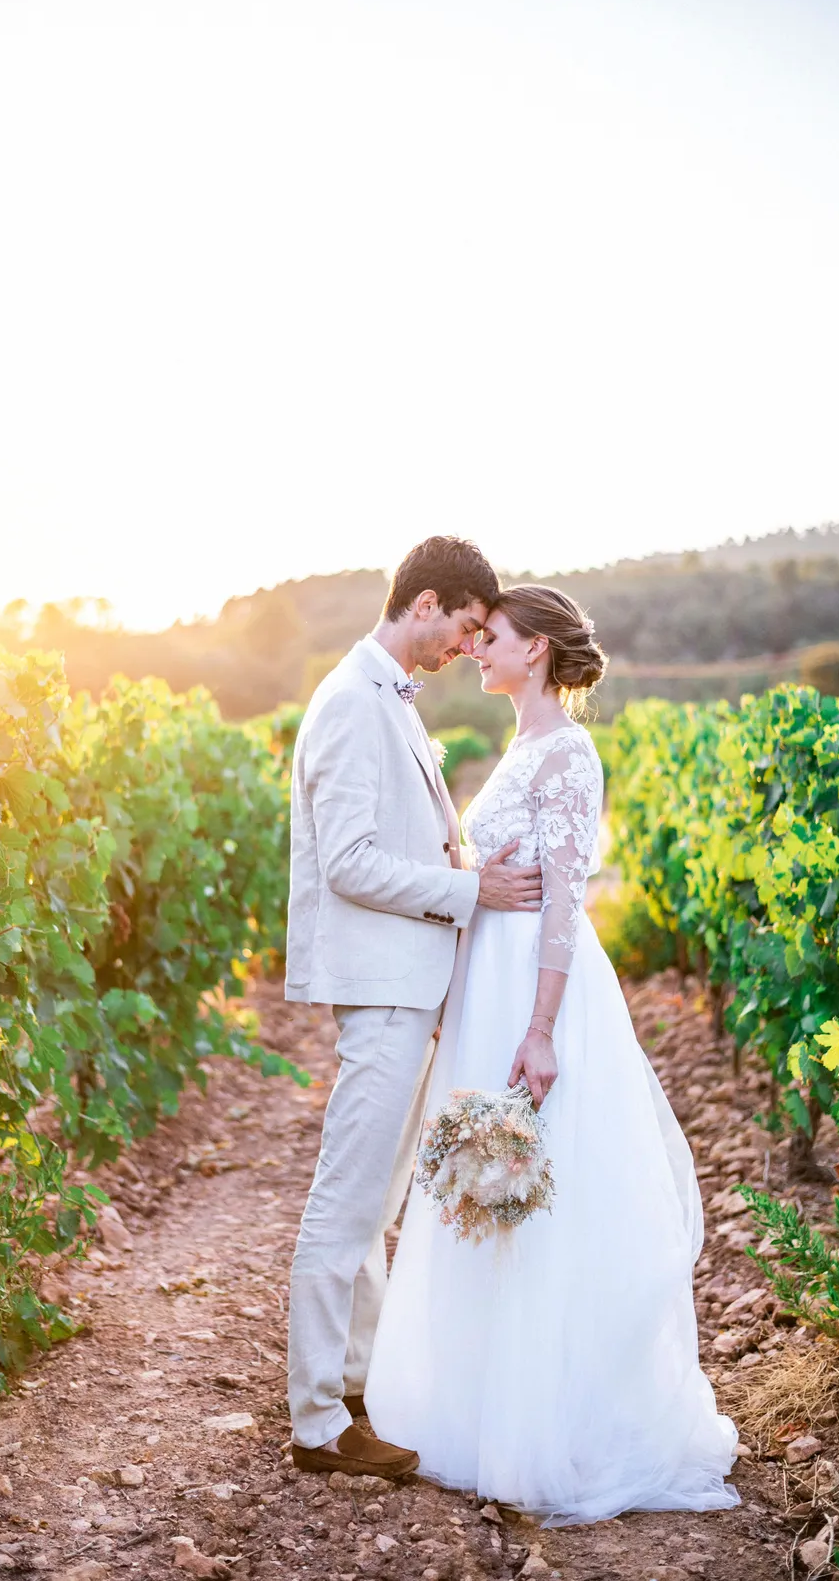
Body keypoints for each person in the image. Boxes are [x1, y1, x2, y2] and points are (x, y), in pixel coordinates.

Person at [363, 585, 742, 1525]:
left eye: (488, 638)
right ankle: (479, 1401)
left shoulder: (568, 753)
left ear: (534, 651)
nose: (473, 650)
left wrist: (538, 1029)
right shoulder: (522, 746)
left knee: (536, 1189)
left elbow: (567, 901)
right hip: (487, 990)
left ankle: (550, 1423)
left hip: (536, 998)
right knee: (481, 1185)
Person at [285, 538, 546, 1480]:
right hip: (383, 986)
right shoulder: (356, 704)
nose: (468, 649)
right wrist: (471, 892)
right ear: (426, 602)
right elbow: (350, 860)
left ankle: (354, 1389)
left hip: (408, 985)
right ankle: (317, 1421)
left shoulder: (385, 698)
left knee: (376, 1202)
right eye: (468, 628)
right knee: (346, 1200)